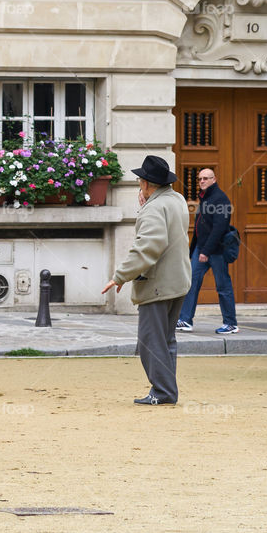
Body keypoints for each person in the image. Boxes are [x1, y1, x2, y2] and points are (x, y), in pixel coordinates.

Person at [101, 156, 191, 406]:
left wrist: (120, 276)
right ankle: (166, 390)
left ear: (147, 185)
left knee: (151, 342)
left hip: (158, 283)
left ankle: (163, 392)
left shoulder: (154, 207)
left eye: (141, 181)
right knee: (166, 340)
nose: (139, 185)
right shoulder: (176, 199)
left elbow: (148, 246)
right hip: (178, 281)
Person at [175, 168, 237, 334]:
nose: (202, 181)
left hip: (216, 251)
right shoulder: (205, 197)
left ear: (214, 179)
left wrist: (206, 251)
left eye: (206, 178)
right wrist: (194, 250)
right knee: (191, 282)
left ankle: (231, 323)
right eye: (200, 179)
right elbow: (199, 227)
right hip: (201, 249)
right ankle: (185, 320)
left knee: (223, 286)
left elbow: (219, 228)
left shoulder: (221, 199)